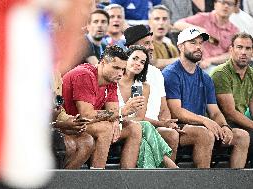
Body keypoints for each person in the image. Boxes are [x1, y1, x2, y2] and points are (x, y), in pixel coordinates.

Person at [162, 27, 250, 168]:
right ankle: (203, 182)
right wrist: (205, 121)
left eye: (200, 43)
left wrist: (224, 126)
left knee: (241, 136)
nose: (198, 47)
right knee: (204, 133)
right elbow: (176, 111)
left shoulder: (205, 78)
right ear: (180, 46)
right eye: (192, 43)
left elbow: (215, 112)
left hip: (202, 126)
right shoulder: (171, 73)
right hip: (177, 127)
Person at [62, 45, 142, 168]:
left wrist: (116, 119)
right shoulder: (84, 75)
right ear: (103, 63)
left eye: (123, 69)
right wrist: (121, 112)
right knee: (106, 128)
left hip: (87, 124)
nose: (120, 74)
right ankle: (99, 179)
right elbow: (86, 115)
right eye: (116, 68)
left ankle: (128, 179)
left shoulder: (111, 80)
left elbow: (113, 111)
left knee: (134, 128)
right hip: (67, 123)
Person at [124, 25, 180, 161]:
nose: (151, 47)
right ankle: (171, 176)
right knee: (166, 134)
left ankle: (167, 178)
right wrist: (162, 124)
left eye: (152, 43)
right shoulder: (121, 74)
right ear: (131, 48)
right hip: (134, 124)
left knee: (172, 133)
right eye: (146, 43)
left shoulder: (155, 73)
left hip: (152, 124)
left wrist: (168, 122)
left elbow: (164, 108)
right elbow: (137, 117)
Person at [210, 32, 253, 167]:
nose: (243, 52)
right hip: (221, 124)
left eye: (248, 48)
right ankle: (239, 181)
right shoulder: (221, 73)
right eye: (239, 47)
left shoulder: (251, 74)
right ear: (231, 50)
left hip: (241, 123)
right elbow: (230, 113)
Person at [174, 0, 239, 73]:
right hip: (197, 63)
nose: (226, 6)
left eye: (230, 4)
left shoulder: (234, 30)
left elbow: (231, 54)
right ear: (215, 4)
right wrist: (198, 29)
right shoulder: (204, 18)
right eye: (223, 2)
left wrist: (210, 60)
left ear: (234, 8)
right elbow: (177, 24)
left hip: (219, 65)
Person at [148, 5, 179, 69]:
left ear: (169, 23)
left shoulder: (171, 48)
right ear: (149, 22)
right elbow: (152, 63)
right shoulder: (142, 43)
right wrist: (182, 60)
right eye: (157, 19)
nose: (161, 22)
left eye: (164, 19)